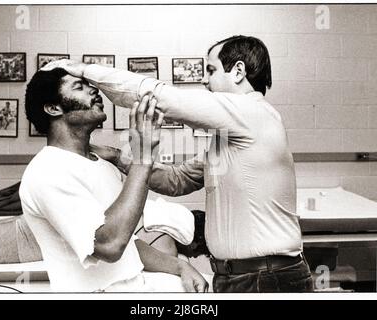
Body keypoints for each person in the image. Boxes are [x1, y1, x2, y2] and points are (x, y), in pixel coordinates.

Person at [43, 35, 313, 293]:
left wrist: (81, 70)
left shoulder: (253, 113)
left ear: (238, 71)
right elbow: (177, 180)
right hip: (242, 278)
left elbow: (157, 96)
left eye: (211, 70)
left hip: (266, 279)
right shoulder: (231, 136)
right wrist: (117, 157)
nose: (207, 82)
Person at [19, 67, 208, 292]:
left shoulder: (101, 164)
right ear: (53, 108)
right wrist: (142, 156)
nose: (94, 91)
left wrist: (179, 267)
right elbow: (110, 244)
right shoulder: (48, 171)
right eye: (79, 87)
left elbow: (128, 241)